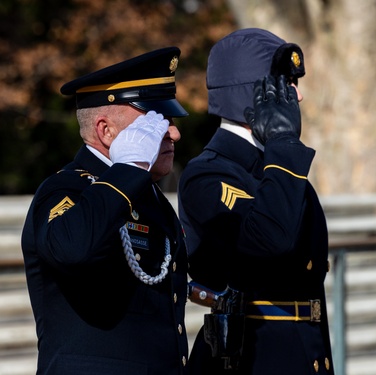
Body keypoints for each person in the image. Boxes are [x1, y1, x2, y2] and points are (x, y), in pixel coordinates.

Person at [21, 47, 190, 375]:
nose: (174, 133)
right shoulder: (65, 190)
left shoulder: (150, 198)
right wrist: (128, 170)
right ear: (106, 131)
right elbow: (73, 248)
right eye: (155, 122)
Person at [178, 28, 334, 374]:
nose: (298, 97)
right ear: (251, 95)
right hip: (253, 360)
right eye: (284, 85)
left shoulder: (276, 166)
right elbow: (269, 239)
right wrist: (282, 143)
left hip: (303, 353)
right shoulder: (208, 175)